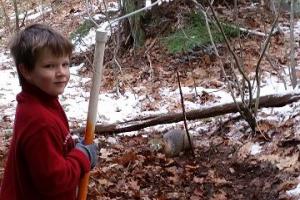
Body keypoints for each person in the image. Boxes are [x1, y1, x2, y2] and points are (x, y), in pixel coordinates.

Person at [0, 23, 98, 200]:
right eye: (50, 66)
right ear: (26, 71)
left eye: (65, 64)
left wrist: (71, 149)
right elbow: (54, 181)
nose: (62, 73)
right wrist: (81, 158)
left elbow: (48, 154)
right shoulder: (39, 120)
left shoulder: (43, 102)